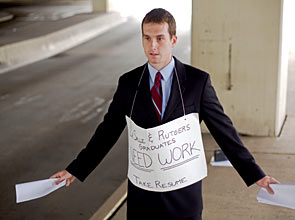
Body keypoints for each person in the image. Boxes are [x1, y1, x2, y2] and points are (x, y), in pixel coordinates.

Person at [51, 8, 279, 220]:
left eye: (160, 38)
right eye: (147, 38)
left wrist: (255, 174)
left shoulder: (197, 82)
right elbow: (107, 132)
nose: (153, 46)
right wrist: (75, 169)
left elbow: (224, 132)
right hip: (143, 198)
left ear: (173, 40)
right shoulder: (129, 83)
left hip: (183, 197)